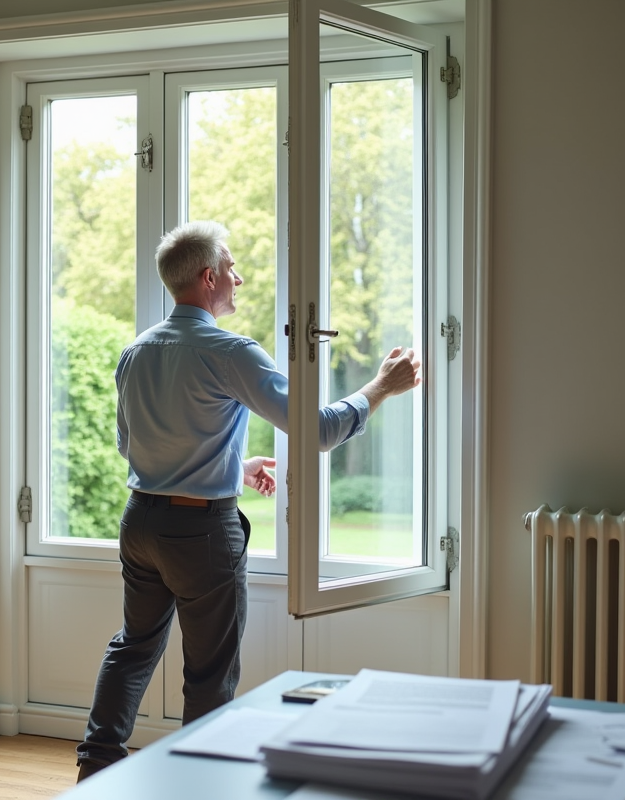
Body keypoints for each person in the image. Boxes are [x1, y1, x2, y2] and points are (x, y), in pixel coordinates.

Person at [75, 220, 422, 781]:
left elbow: (132, 446)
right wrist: (381, 386)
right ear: (208, 278)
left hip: (140, 523)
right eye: (232, 267)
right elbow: (315, 430)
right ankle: (200, 783)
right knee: (209, 672)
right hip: (200, 535)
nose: (240, 277)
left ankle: (95, 768)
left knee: (133, 646)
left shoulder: (134, 353)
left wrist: (235, 465)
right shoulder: (230, 351)